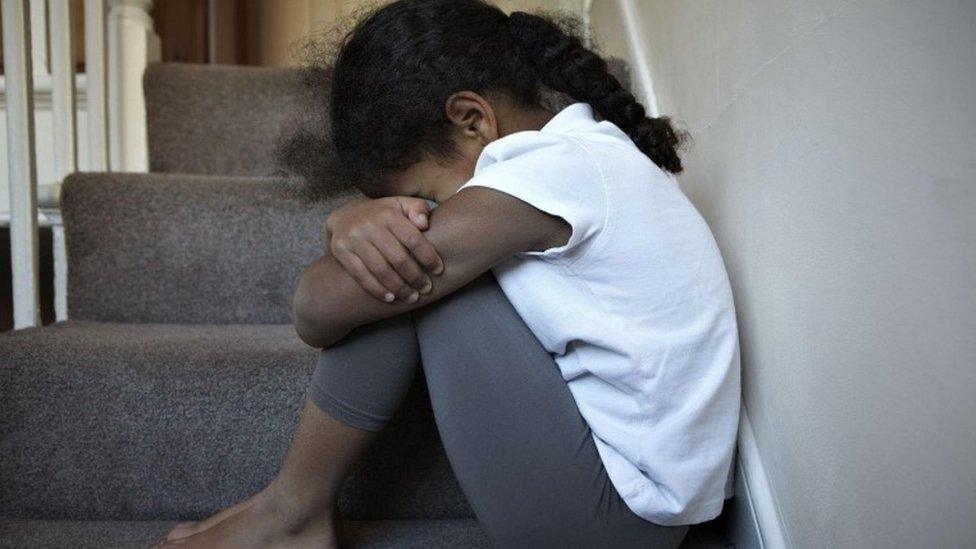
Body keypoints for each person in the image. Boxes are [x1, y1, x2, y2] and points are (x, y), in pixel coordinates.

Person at [154, 0, 739, 547]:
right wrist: (351, 225)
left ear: (471, 121)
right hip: (627, 505)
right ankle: (288, 507)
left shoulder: (554, 171)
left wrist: (346, 227)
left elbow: (316, 309)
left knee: (411, 270)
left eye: (417, 194)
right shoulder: (587, 158)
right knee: (409, 260)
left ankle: (291, 512)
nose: (412, 212)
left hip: (612, 521)